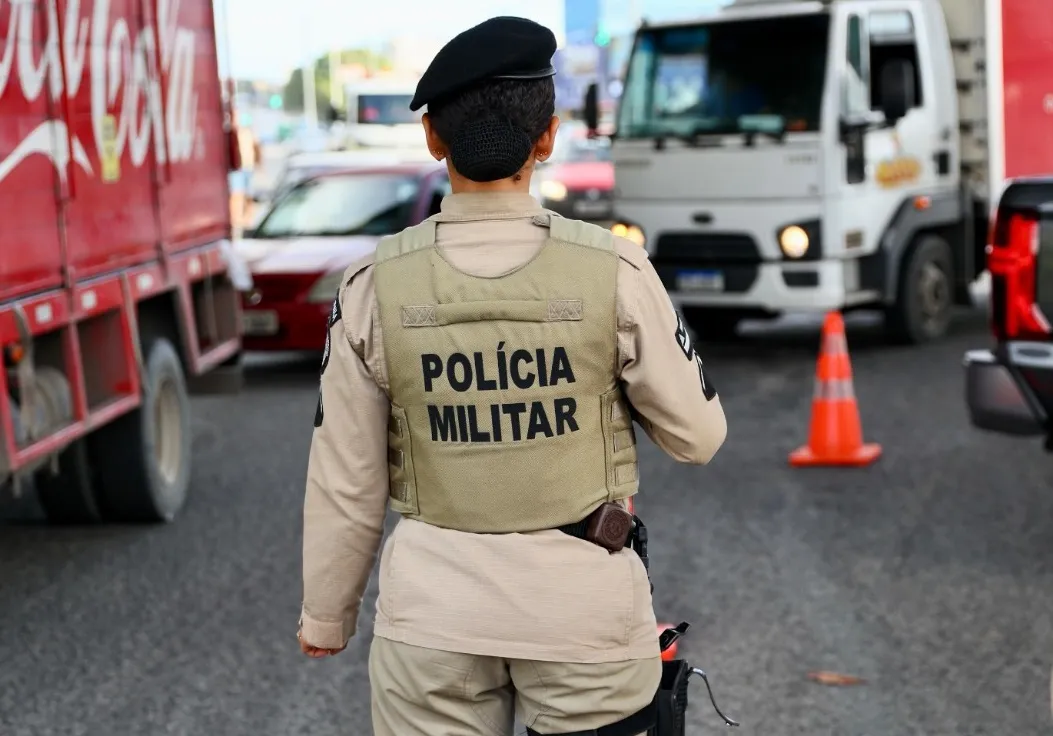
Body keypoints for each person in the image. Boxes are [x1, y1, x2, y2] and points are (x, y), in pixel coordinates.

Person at [298, 16, 728, 736]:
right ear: (548, 136)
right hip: (584, 612)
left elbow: (345, 476)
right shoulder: (614, 270)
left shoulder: (372, 285)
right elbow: (698, 437)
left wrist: (326, 615)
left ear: (433, 138)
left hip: (432, 619)